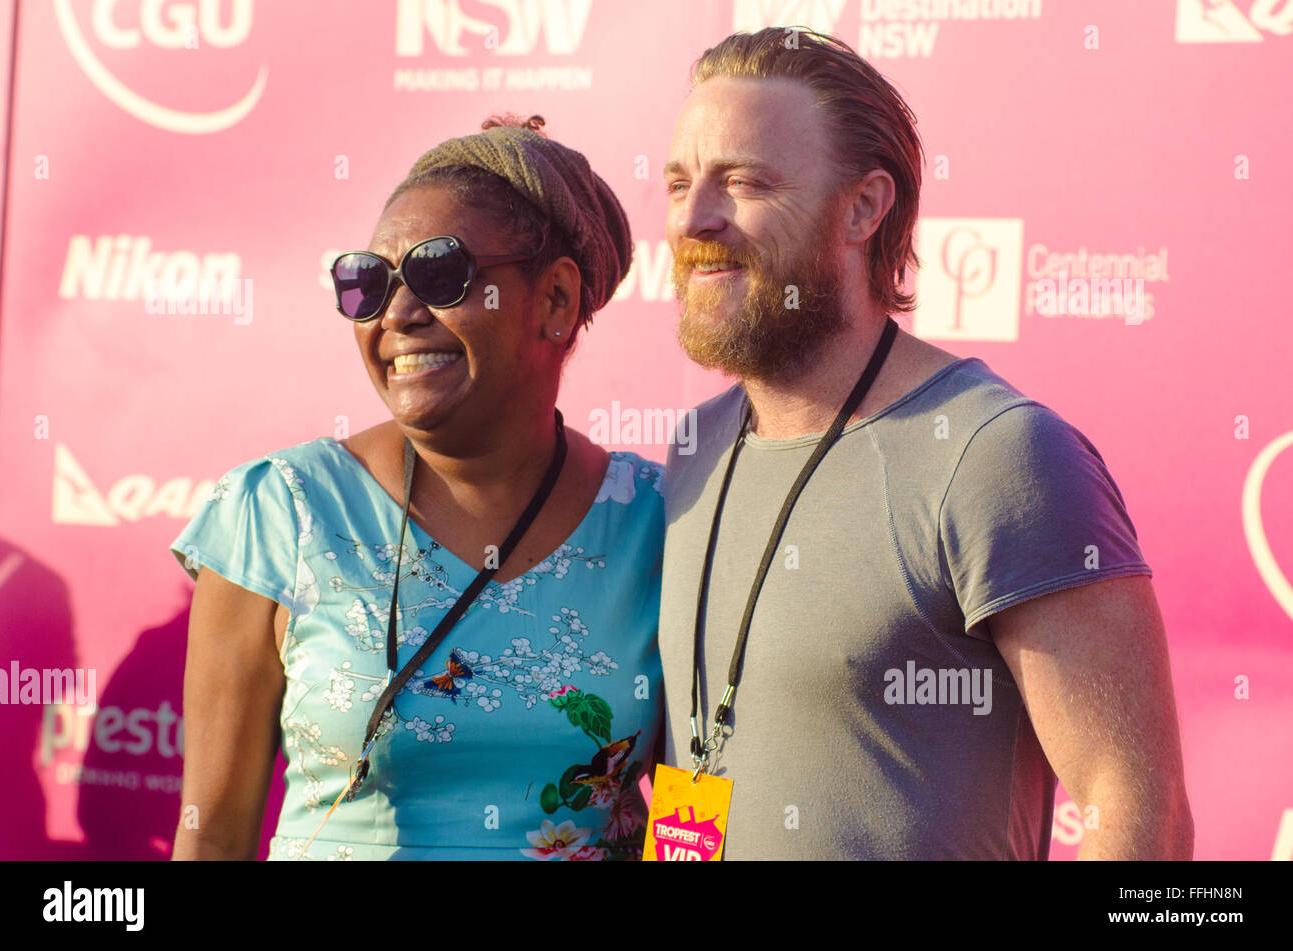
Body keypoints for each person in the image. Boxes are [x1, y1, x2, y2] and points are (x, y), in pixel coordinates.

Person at [657, 29, 1193, 859]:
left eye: (746, 181)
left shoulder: (999, 453)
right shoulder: (694, 450)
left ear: (865, 208)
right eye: (680, 182)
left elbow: (1141, 816)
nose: (694, 217)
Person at [170, 115, 664, 861]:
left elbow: (702, 808)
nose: (396, 314)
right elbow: (212, 843)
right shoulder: (280, 512)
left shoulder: (663, 525)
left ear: (557, 300)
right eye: (366, 282)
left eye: (441, 275)